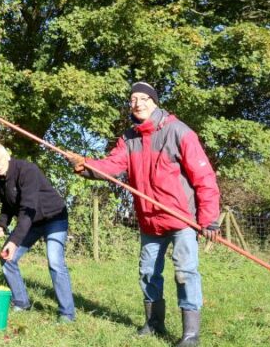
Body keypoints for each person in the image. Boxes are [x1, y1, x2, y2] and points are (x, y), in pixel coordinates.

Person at [67, 82, 220, 347]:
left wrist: (208, 219)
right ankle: (154, 323)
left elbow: (204, 177)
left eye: (143, 98)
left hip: (181, 219)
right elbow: (112, 165)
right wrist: (86, 165)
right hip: (149, 220)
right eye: (132, 99)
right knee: (148, 273)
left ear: (154, 101)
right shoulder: (129, 138)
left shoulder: (178, 131)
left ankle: (190, 335)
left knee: (185, 272)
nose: (137, 103)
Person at [0, 143, 76, 323]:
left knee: (55, 262)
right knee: (6, 257)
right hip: (30, 222)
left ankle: (67, 313)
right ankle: (21, 302)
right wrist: (2, 225)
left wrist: (15, 241)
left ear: (7, 156)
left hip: (53, 217)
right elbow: (8, 204)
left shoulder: (27, 170)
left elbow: (28, 208)